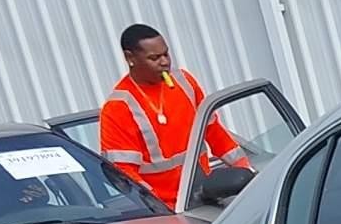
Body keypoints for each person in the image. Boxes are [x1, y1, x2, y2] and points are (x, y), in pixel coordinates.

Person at [98, 23, 248, 211]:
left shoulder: (184, 82)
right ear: (130, 58)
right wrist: (159, 208)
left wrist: (246, 171)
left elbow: (213, 131)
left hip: (206, 196)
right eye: (154, 58)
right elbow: (124, 174)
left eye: (166, 54)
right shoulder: (118, 107)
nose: (164, 62)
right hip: (167, 210)